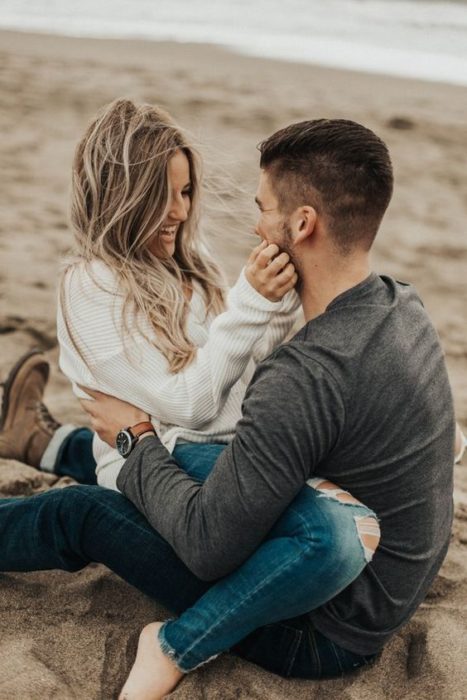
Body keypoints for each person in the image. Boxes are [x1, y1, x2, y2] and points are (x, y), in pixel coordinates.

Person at [0, 109, 384, 694]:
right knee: (80, 514)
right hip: (162, 461)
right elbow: (195, 402)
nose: (179, 211)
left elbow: (238, 371)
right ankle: (173, 643)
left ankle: (39, 440)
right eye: (161, 195)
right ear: (118, 195)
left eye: (185, 191)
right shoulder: (91, 284)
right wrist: (251, 303)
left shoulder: (188, 263)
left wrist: (271, 306)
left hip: (208, 452)